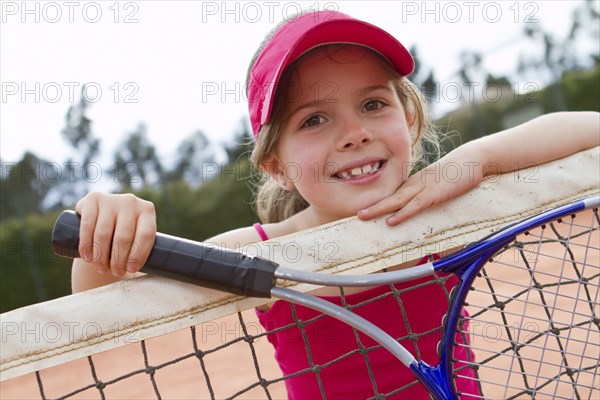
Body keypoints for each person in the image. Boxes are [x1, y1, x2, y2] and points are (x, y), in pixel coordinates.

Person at [71, 10, 599, 399]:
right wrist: (102, 234)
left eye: (373, 104)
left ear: (409, 123)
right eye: (314, 120)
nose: (354, 133)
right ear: (275, 165)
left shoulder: (444, 213)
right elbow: (95, 307)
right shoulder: (254, 254)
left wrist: (478, 159)